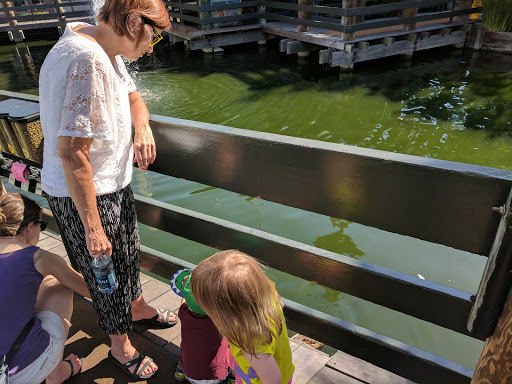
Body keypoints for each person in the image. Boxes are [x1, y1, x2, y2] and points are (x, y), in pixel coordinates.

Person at [38, 0, 176, 379]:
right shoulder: (87, 60)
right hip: (85, 195)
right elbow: (71, 153)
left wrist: (141, 126)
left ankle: (139, 309)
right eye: (155, 35)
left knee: (126, 256)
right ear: (133, 22)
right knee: (105, 274)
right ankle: (120, 346)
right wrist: (93, 227)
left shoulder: (97, 42)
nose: (152, 46)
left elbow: (132, 97)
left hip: (111, 184)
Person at [0, 192, 90, 384]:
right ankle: (54, 372)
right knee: (58, 283)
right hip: (13, 372)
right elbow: (89, 290)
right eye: (42, 226)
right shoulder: (37, 257)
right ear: (30, 227)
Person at [191, 250, 295, 384]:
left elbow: (273, 381)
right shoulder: (267, 293)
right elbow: (281, 304)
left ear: (222, 312)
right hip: (269, 369)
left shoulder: (250, 342)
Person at [170, 268, 234, 383]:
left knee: (187, 345)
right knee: (232, 347)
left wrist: (187, 290)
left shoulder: (183, 312)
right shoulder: (222, 321)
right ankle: (233, 378)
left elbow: (184, 300)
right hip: (217, 377)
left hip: (190, 375)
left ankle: (180, 371)